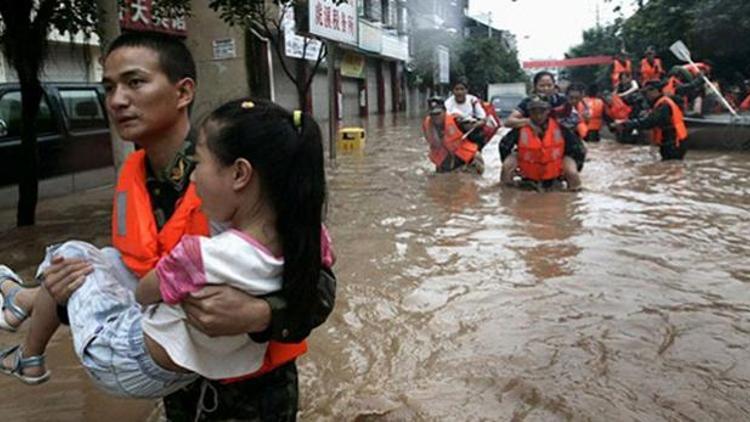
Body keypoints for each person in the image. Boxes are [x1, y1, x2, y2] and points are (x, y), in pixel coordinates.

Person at [0, 31, 336, 420]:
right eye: (108, 87)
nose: (117, 100)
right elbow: (136, 280)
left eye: (135, 82)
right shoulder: (132, 176)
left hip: (253, 393)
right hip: (173, 376)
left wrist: (262, 315)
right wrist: (60, 296)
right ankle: (27, 300)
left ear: (183, 92)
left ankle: (17, 302)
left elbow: (318, 280)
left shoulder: (234, 170)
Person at [499, 96, 586, 191]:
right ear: (529, 113)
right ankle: (506, 193)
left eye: (542, 112)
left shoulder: (561, 127)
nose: (538, 116)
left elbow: (579, 148)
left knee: (572, 173)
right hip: (528, 166)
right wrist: (514, 164)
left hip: (556, 161)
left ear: (548, 111)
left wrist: (575, 166)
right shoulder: (520, 128)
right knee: (506, 167)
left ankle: (575, 194)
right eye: (534, 112)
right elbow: (504, 145)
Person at [615, 80, 688, 161]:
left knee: (671, 167)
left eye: (647, 92)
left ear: (655, 91)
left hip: (673, 144)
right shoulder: (662, 103)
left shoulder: (664, 105)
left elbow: (649, 122)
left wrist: (626, 124)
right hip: (673, 143)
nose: (646, 95)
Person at [422, 96, 483, 174]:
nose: (435, 117)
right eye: (432, 114)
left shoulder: (457, 121)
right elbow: (429, 141)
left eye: (438, 113)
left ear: (445, 111)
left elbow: (478, 134)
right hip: (444, 162)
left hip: (467, 159)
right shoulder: (426, 125)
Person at [444, 77, 489, 149]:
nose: (459, 92)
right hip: (456, 136)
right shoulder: (448, 103)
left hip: (473, 135)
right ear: (453, 91)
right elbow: (446, 122)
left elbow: (484, 119)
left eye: (462, 89)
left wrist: (474, 125)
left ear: (467, 90)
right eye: (457, 89)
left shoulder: (473, 100)